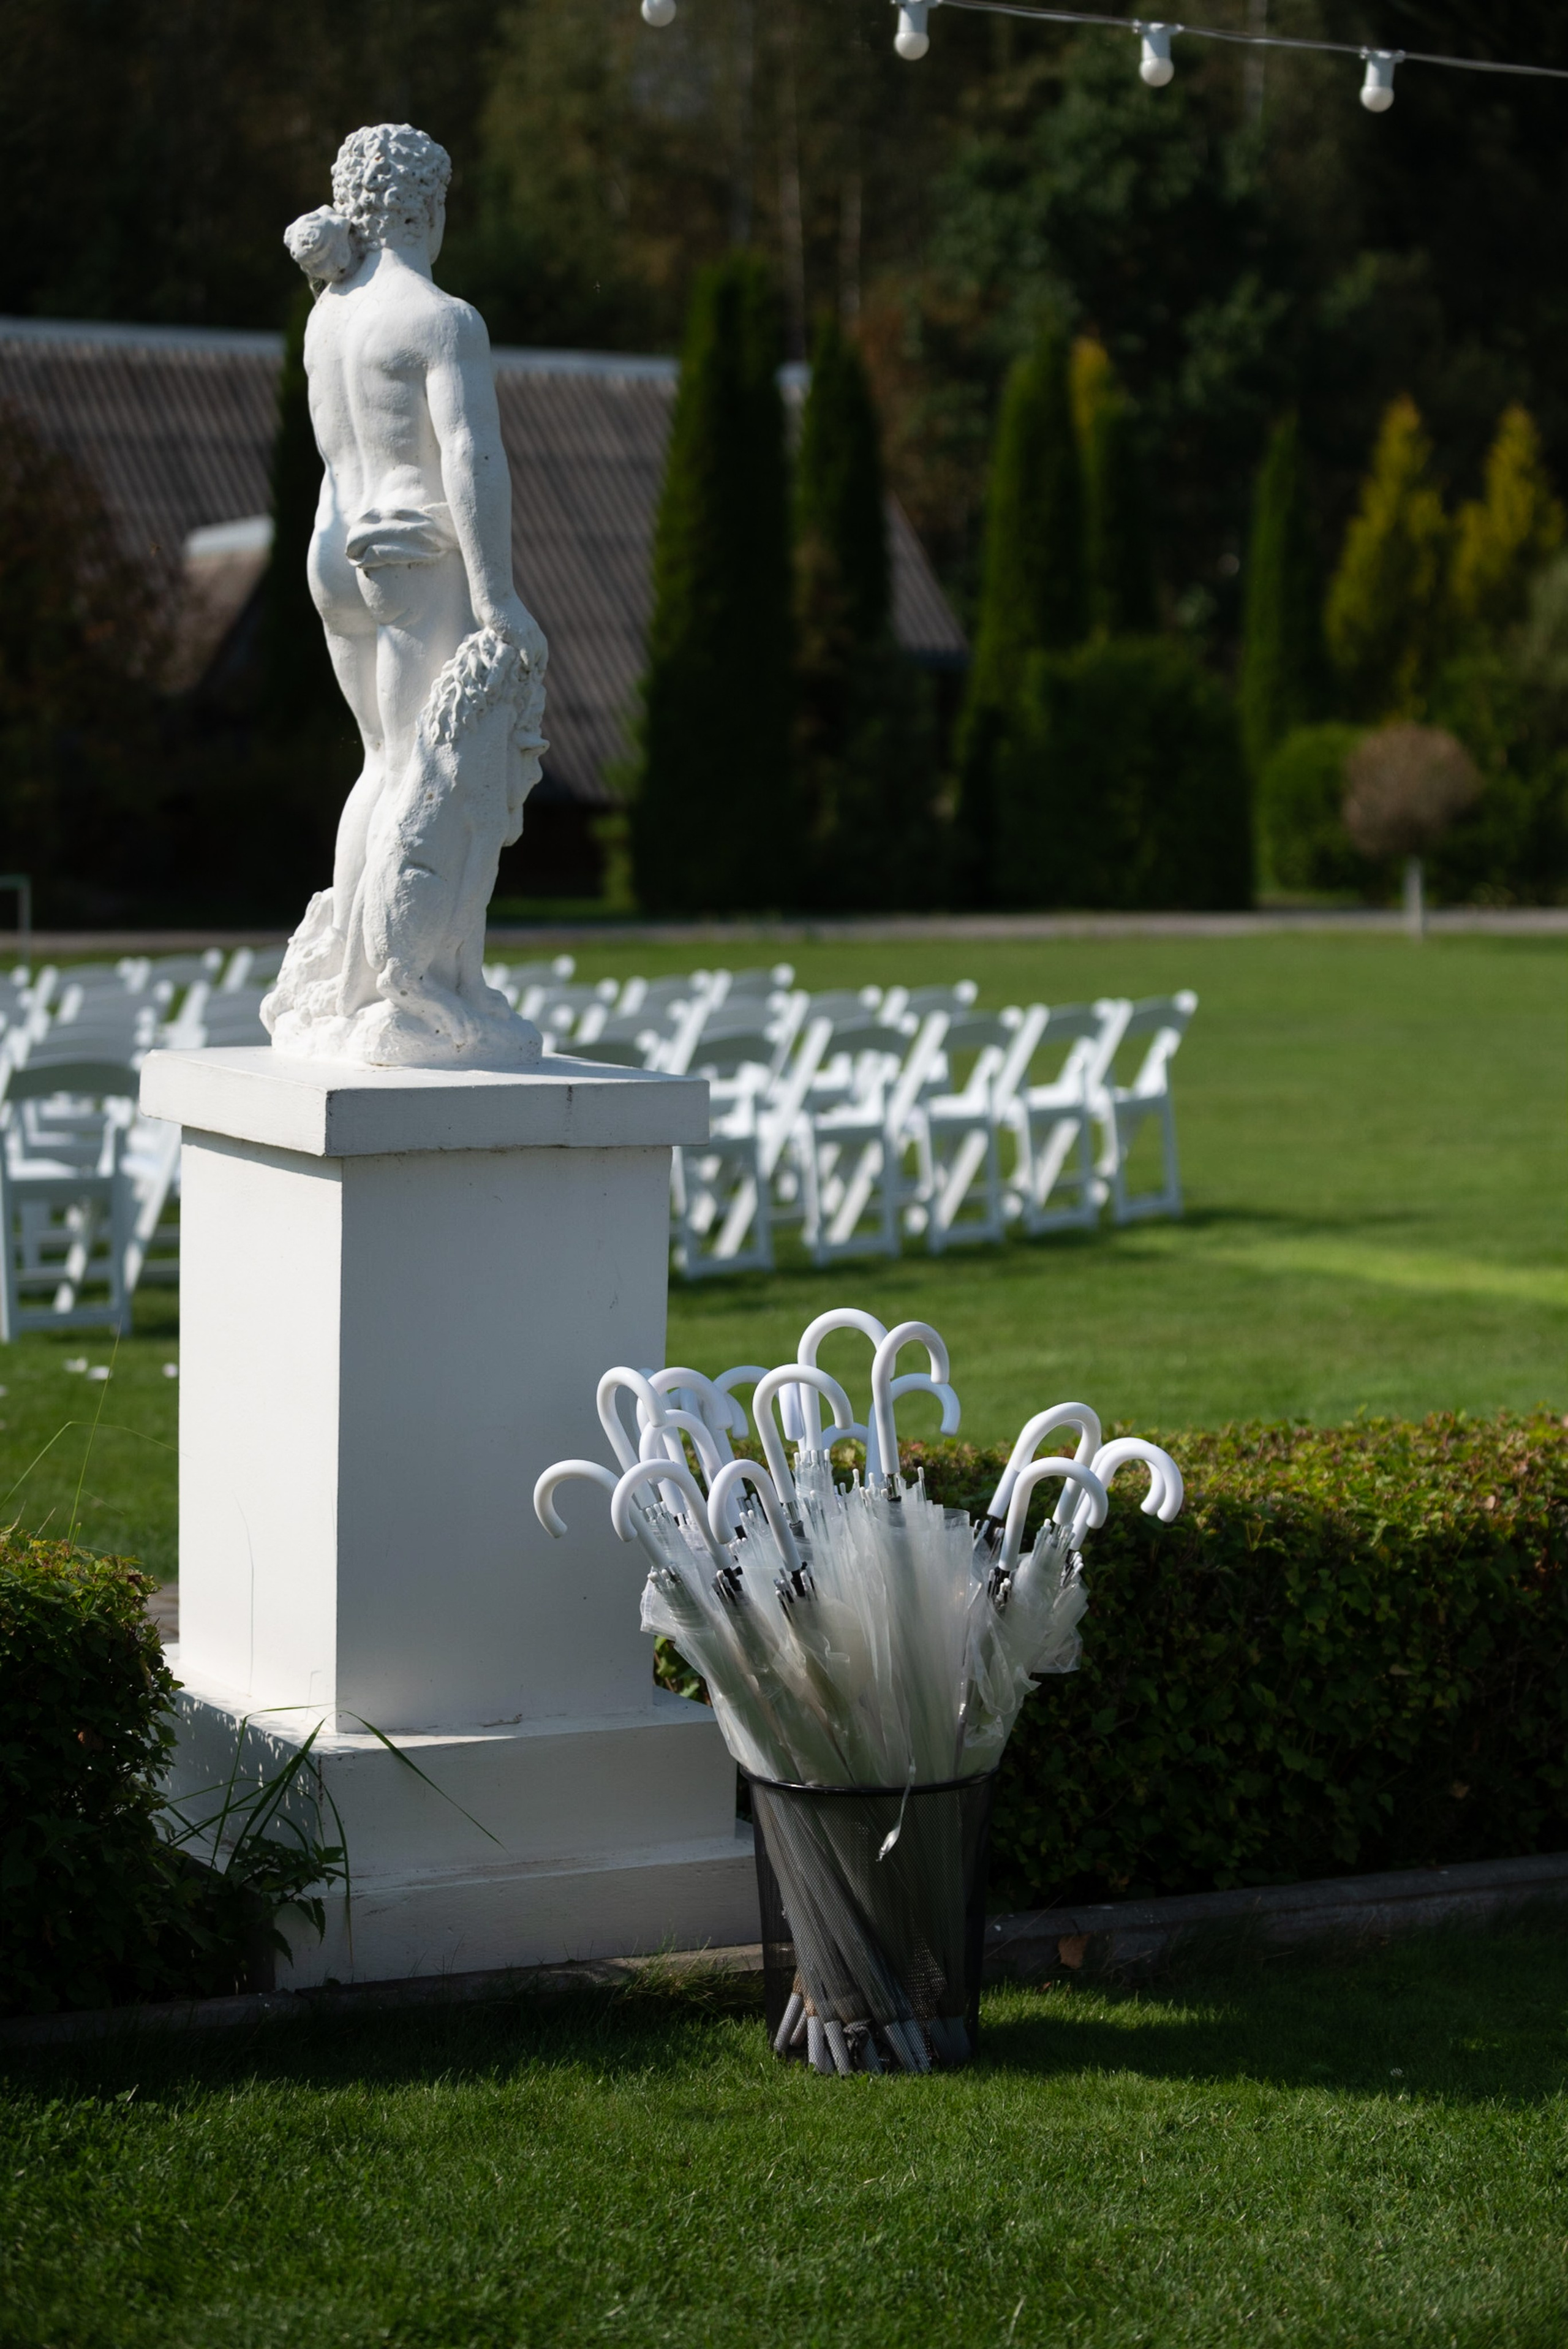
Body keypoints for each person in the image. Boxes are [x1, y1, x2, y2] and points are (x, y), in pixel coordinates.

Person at [263, 123, 546, 1068]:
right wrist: (498, 596)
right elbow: (471, 455)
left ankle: (349, 982)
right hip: (414, 551)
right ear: (425, 206)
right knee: (424, 774)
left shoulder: (329, 315)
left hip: (335, 549)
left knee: (380, 761)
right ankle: (404, 986)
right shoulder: (441, 318)